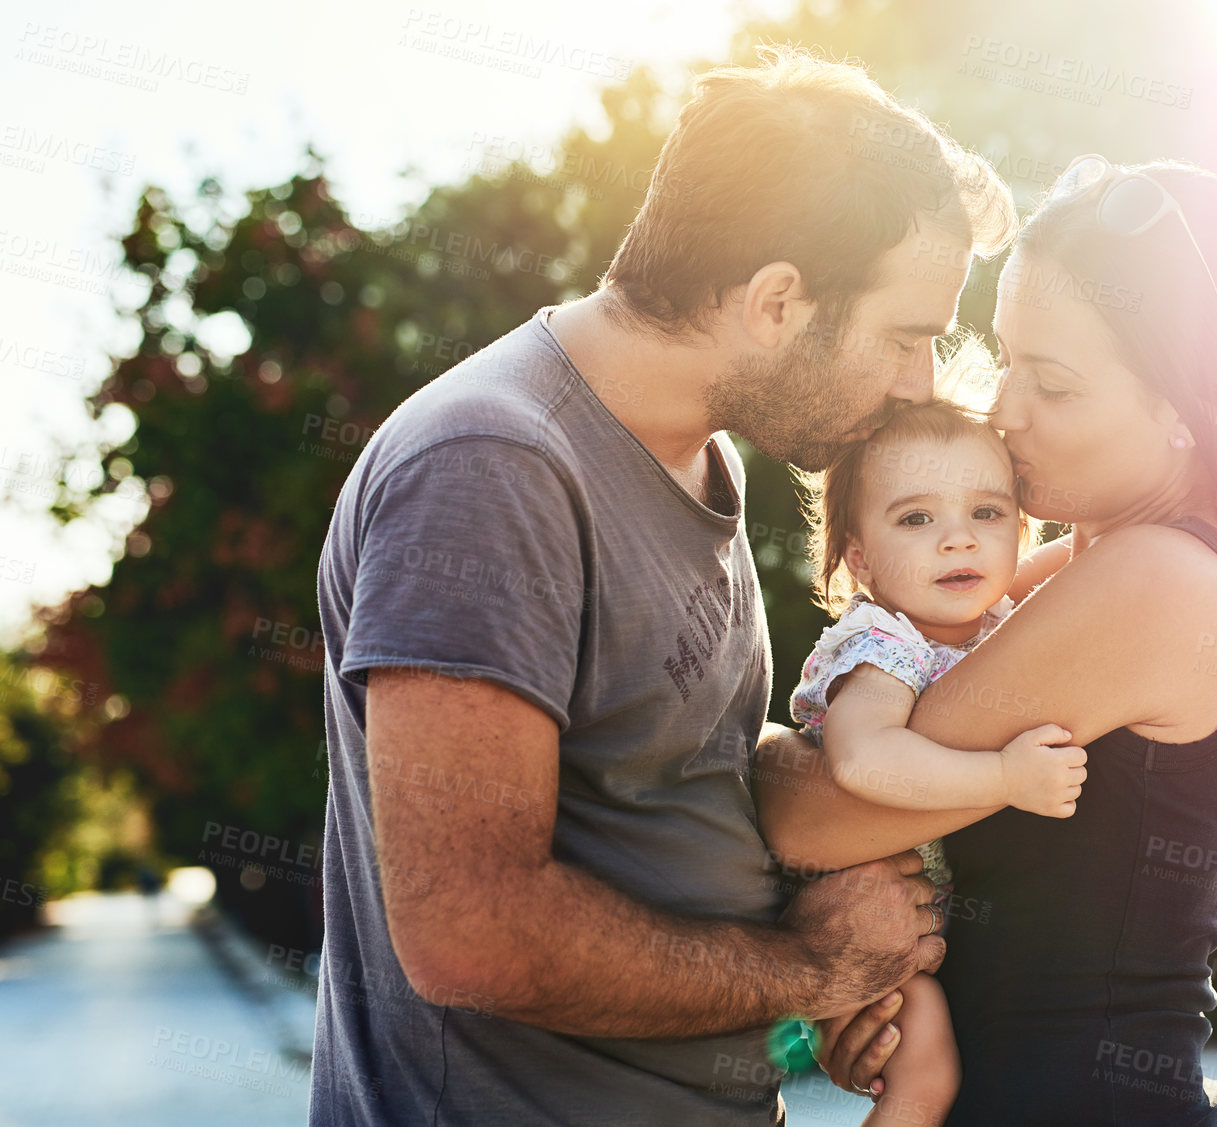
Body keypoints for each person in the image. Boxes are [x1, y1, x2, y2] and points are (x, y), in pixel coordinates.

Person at [307, 47, 1015, 1125]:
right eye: (907, 337)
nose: (919, 384)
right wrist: (811, 969)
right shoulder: (491, 468)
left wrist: (817, 1002)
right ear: (778, 301)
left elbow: (673, 794)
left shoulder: (698, 458)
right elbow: (470, 928)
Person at [756, 156, 1217, 1125]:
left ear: (1188, 411)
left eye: (1052, 385)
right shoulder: (1091, 565)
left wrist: (765, 753)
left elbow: (814, 813)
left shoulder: (1157, 582)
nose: (1005, 409)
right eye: (1006, 358)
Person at [787, 394, 1089, 1125]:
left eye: (987, 514)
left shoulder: (981, 620)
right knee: (926, 1069)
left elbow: (1091, 560)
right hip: (854, 914)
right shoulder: (884, 646)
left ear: (1020, 529)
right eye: (916, 518)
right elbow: (862, 759)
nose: (958, 540)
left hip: (930, 913)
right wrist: (1005, 778)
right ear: (858, 556)